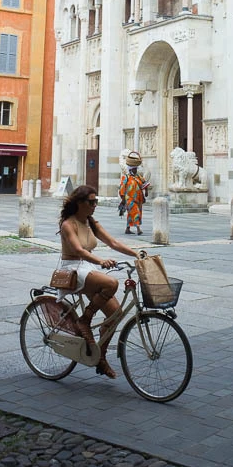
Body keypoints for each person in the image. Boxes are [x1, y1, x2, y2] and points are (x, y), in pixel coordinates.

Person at [58, 184, 139, 379]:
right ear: (79, 203)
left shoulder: (91, 222)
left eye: (96, 202)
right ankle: (85, 321)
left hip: (87, 268)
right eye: (91, 202)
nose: (95, 205)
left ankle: (100, 357)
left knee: (115, 314)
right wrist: (101, 261)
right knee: (111, 283)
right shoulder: (68, 224)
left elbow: (113, 242)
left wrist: (137, 253)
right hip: (72, 268)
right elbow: (78, 250)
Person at [118, 151, 148, 236]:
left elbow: (145, 183)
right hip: (129, 199)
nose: (135, 170)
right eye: (134, 169)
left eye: (136, 169)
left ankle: (127, 229)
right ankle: (138, 229)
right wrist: (123, 199)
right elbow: (122, 189)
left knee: (131, 214)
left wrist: (146, 192)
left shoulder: (138, 177)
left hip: (138, 199)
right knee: (135, 212)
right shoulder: (126, 178)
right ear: (131, 169)